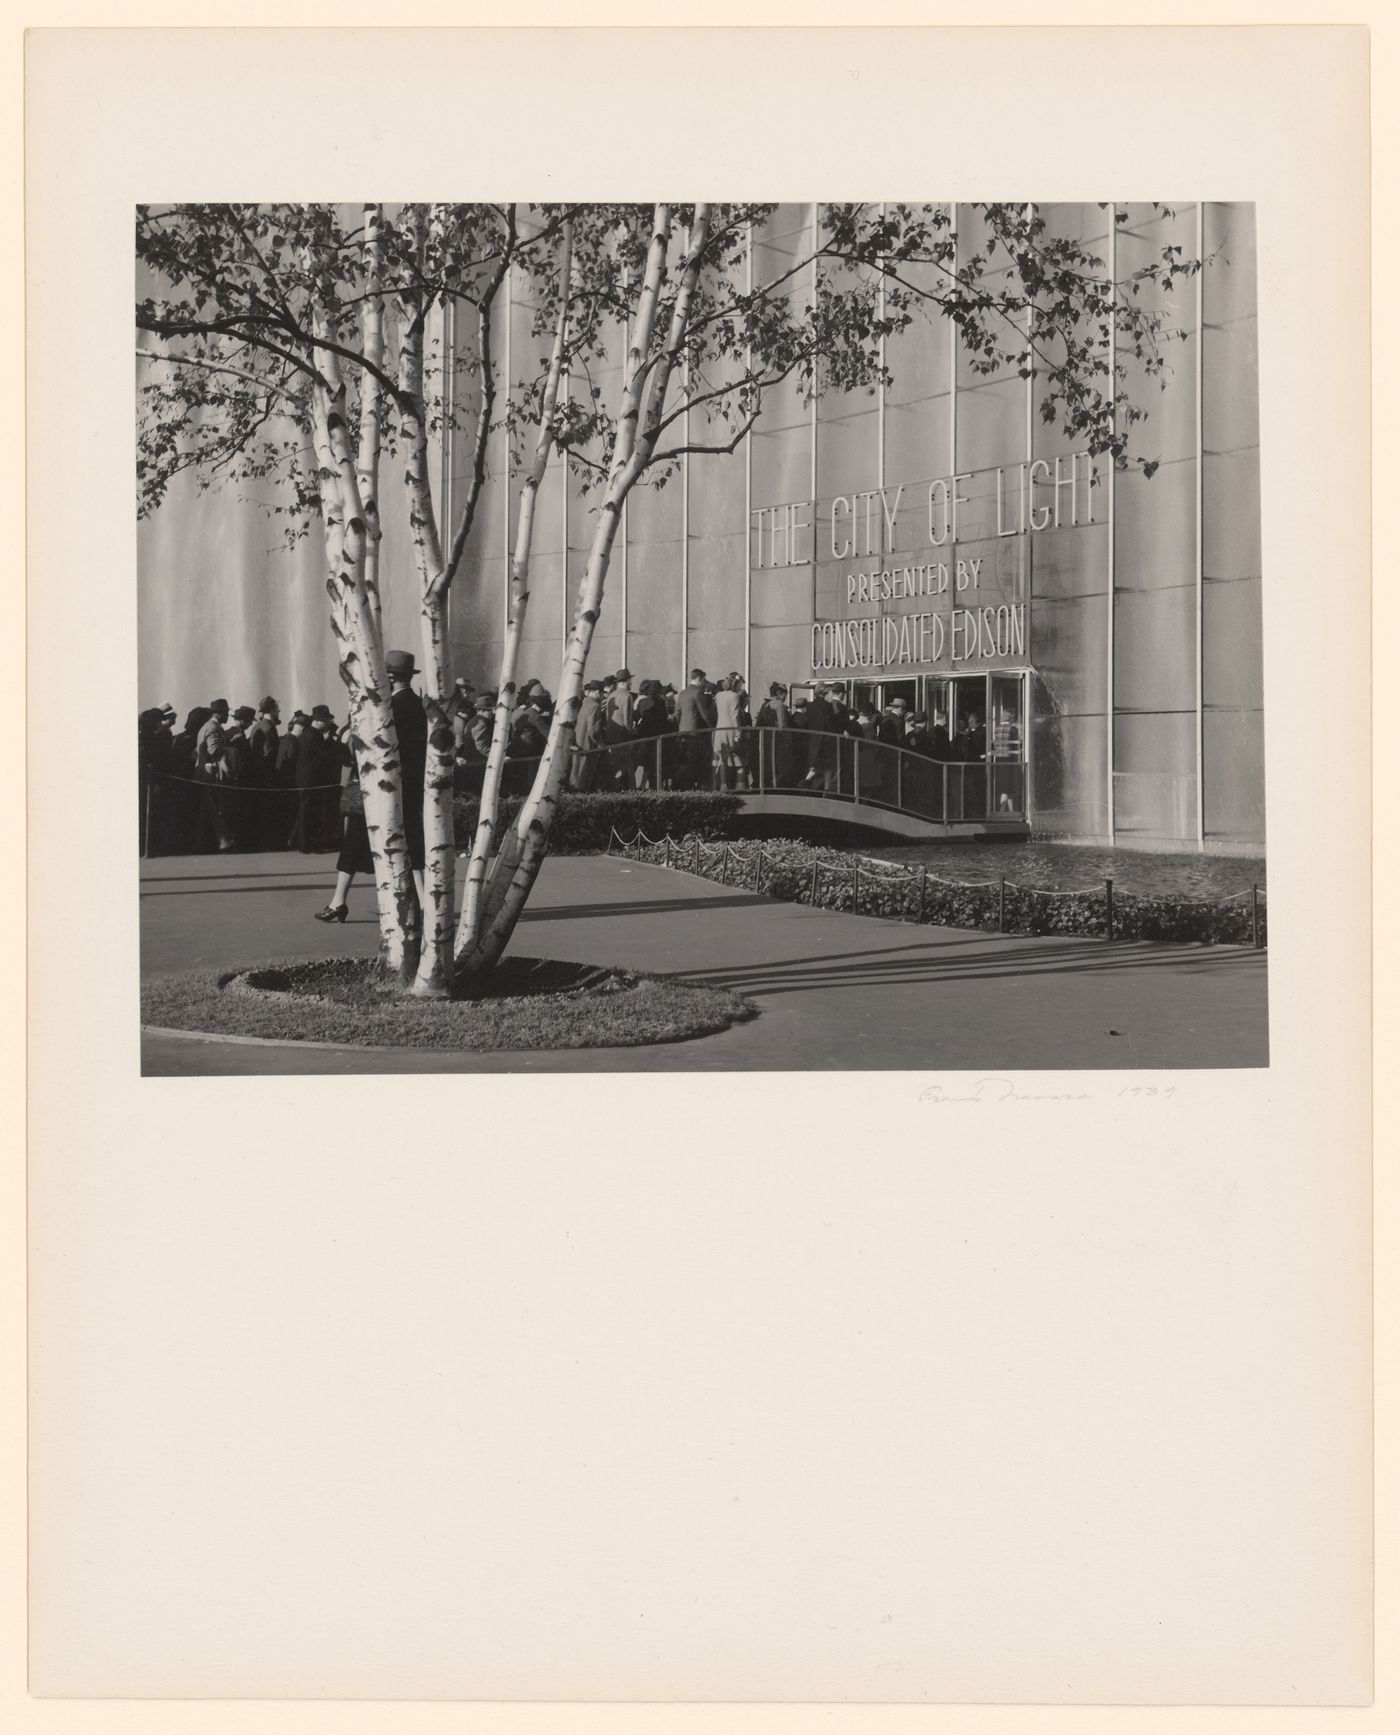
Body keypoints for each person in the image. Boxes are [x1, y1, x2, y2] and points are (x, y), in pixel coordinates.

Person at [386, 649, 428, 908]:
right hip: (415, 777)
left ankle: (412, 898)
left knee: (401, 836)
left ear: (390, 676)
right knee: (412, 832)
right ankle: (420, 895)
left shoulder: (392, 707)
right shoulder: (416, 703)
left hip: (396, 780)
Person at [675, 668, 715, 790]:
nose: (704, 682)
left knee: (686, 760)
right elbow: (704, 713)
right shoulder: (698, 692)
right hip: (696, 733)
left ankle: (683, 786)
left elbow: (677, 713)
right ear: (699, 679)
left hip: (683, 732)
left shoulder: (683, 693)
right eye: (703, 680)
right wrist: (712, 727)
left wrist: (681, 727)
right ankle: (700, 787)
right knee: (699, 761)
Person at [711, 674, 743, 790]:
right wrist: (738, 733)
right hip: (730, 729)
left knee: (719, 757)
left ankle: (720, 783)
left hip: (719, 728)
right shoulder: (734, 696)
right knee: (734, 755)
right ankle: (738, 784)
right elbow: (734, 716)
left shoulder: (718, 695)